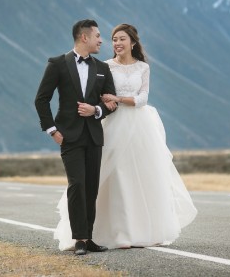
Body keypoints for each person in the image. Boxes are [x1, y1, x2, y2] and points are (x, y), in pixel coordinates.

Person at [54, 23, 197, 250]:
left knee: (142, 176)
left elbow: (143, 98)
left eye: (121, 39)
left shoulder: (143, 67)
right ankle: (112, 232)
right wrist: (104, 103)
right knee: (113, 176)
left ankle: (141, 230)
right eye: (114, 39)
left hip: (141, 126)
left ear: (133, 42)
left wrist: (119, 98)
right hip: (114, 124)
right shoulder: (105, 66)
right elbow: (99, 94)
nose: (117, 43)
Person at [35, 19, 117, 256]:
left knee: (91, 187)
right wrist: (52, 130)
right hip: (68, 136)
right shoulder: (57, 64)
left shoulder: (103, 68)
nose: (102, 40)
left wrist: (97, 110)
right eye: (98, 36)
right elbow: (41, 99)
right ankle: (79, 238)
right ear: (84, 37)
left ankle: (88, 238)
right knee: (77, 185)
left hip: (93, 136)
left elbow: (111, 102)